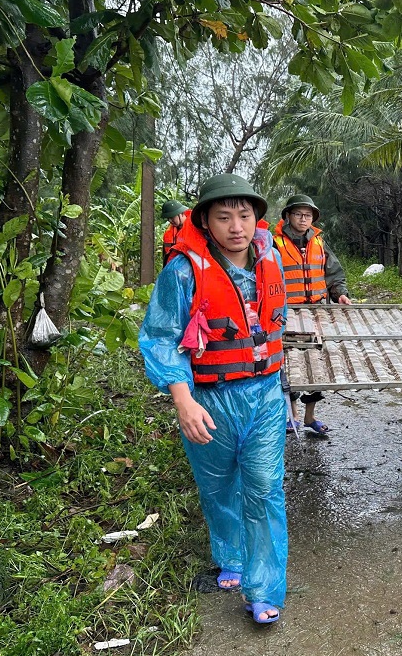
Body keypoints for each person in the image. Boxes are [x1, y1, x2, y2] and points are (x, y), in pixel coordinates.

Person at [139, 173, 288, 625]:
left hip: (263, 394)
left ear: (256, 219)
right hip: (207, 397)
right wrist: (182, 400)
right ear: (206, 221)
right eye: (224, 217)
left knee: (263, 488)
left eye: (244, 215)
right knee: (219, 485)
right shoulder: (182, 272)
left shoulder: (271, 261)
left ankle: (263, 589)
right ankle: (232, 555)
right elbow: (162, 338)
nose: (236, 226)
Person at [273, 193, 352, 435]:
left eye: (307, 215)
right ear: (288, 216)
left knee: (317, 364)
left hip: (317, 311)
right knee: (290, 365)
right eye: (298, 214)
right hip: (288, 313)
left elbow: (334, 274)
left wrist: (340, 293)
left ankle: (310, 417)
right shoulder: (275, 243)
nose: (303, 219)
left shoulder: (319, 242)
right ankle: (292, 415)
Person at [160, 198, 191, 262]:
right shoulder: (169, 233)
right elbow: (166, 256)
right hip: (174, 268)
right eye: (168, 218)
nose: (170, 221)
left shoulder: (196, 227)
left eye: (172, 217)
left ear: (181, 213)